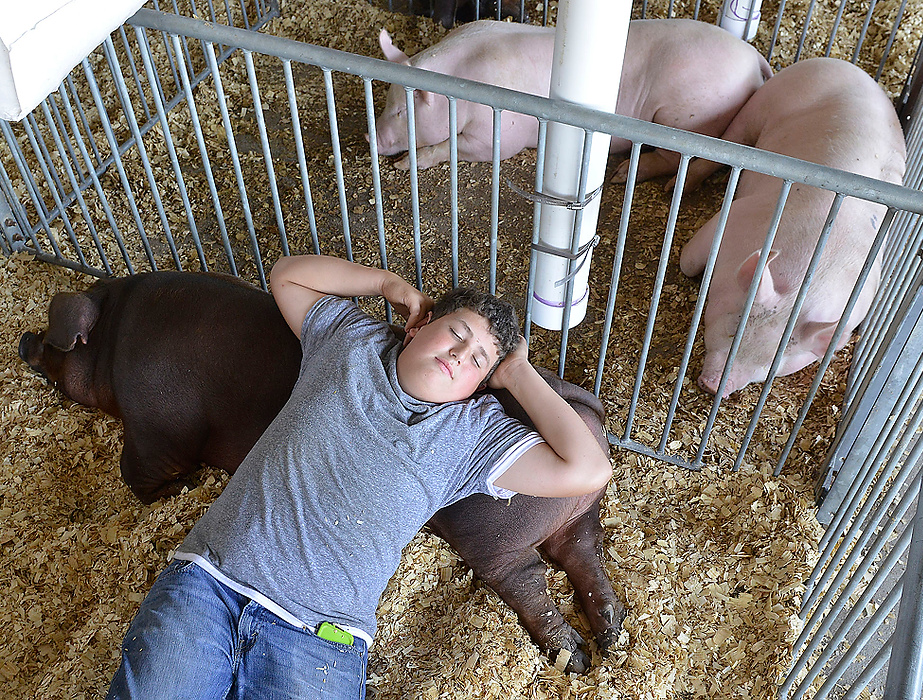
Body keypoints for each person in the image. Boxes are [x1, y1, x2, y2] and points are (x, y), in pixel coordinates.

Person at [106, 254, 612, 700]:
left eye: (478, 359)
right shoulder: (349, 341)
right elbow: (288, 276)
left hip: (321, 638)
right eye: (457, 333)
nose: (460, 354)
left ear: (478, 387)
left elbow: (589, 468)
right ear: (419, 325)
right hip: (209, 583)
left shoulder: (473, 436)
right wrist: (389, 285)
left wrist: (518, 373)